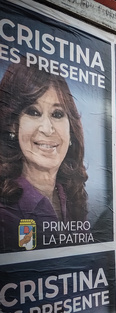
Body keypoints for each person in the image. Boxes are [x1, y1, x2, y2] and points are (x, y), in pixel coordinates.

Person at [0, 58, 88, 252]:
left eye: (57, 114)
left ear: (71, 127)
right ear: (14, 125)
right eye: (33, 112)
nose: (48, 129)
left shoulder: (72, 197)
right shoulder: (5, 213)